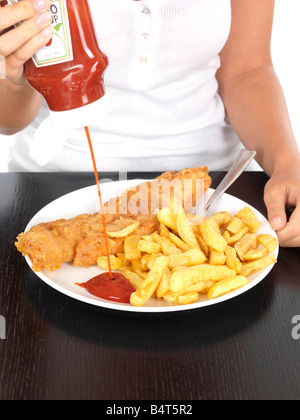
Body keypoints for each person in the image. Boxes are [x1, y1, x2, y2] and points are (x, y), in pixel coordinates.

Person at [0, 0, 300, 247]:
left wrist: (287, 164)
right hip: (50, 189)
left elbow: (246, 71)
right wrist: (12, 82)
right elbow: (9, 121)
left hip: (213, 193)